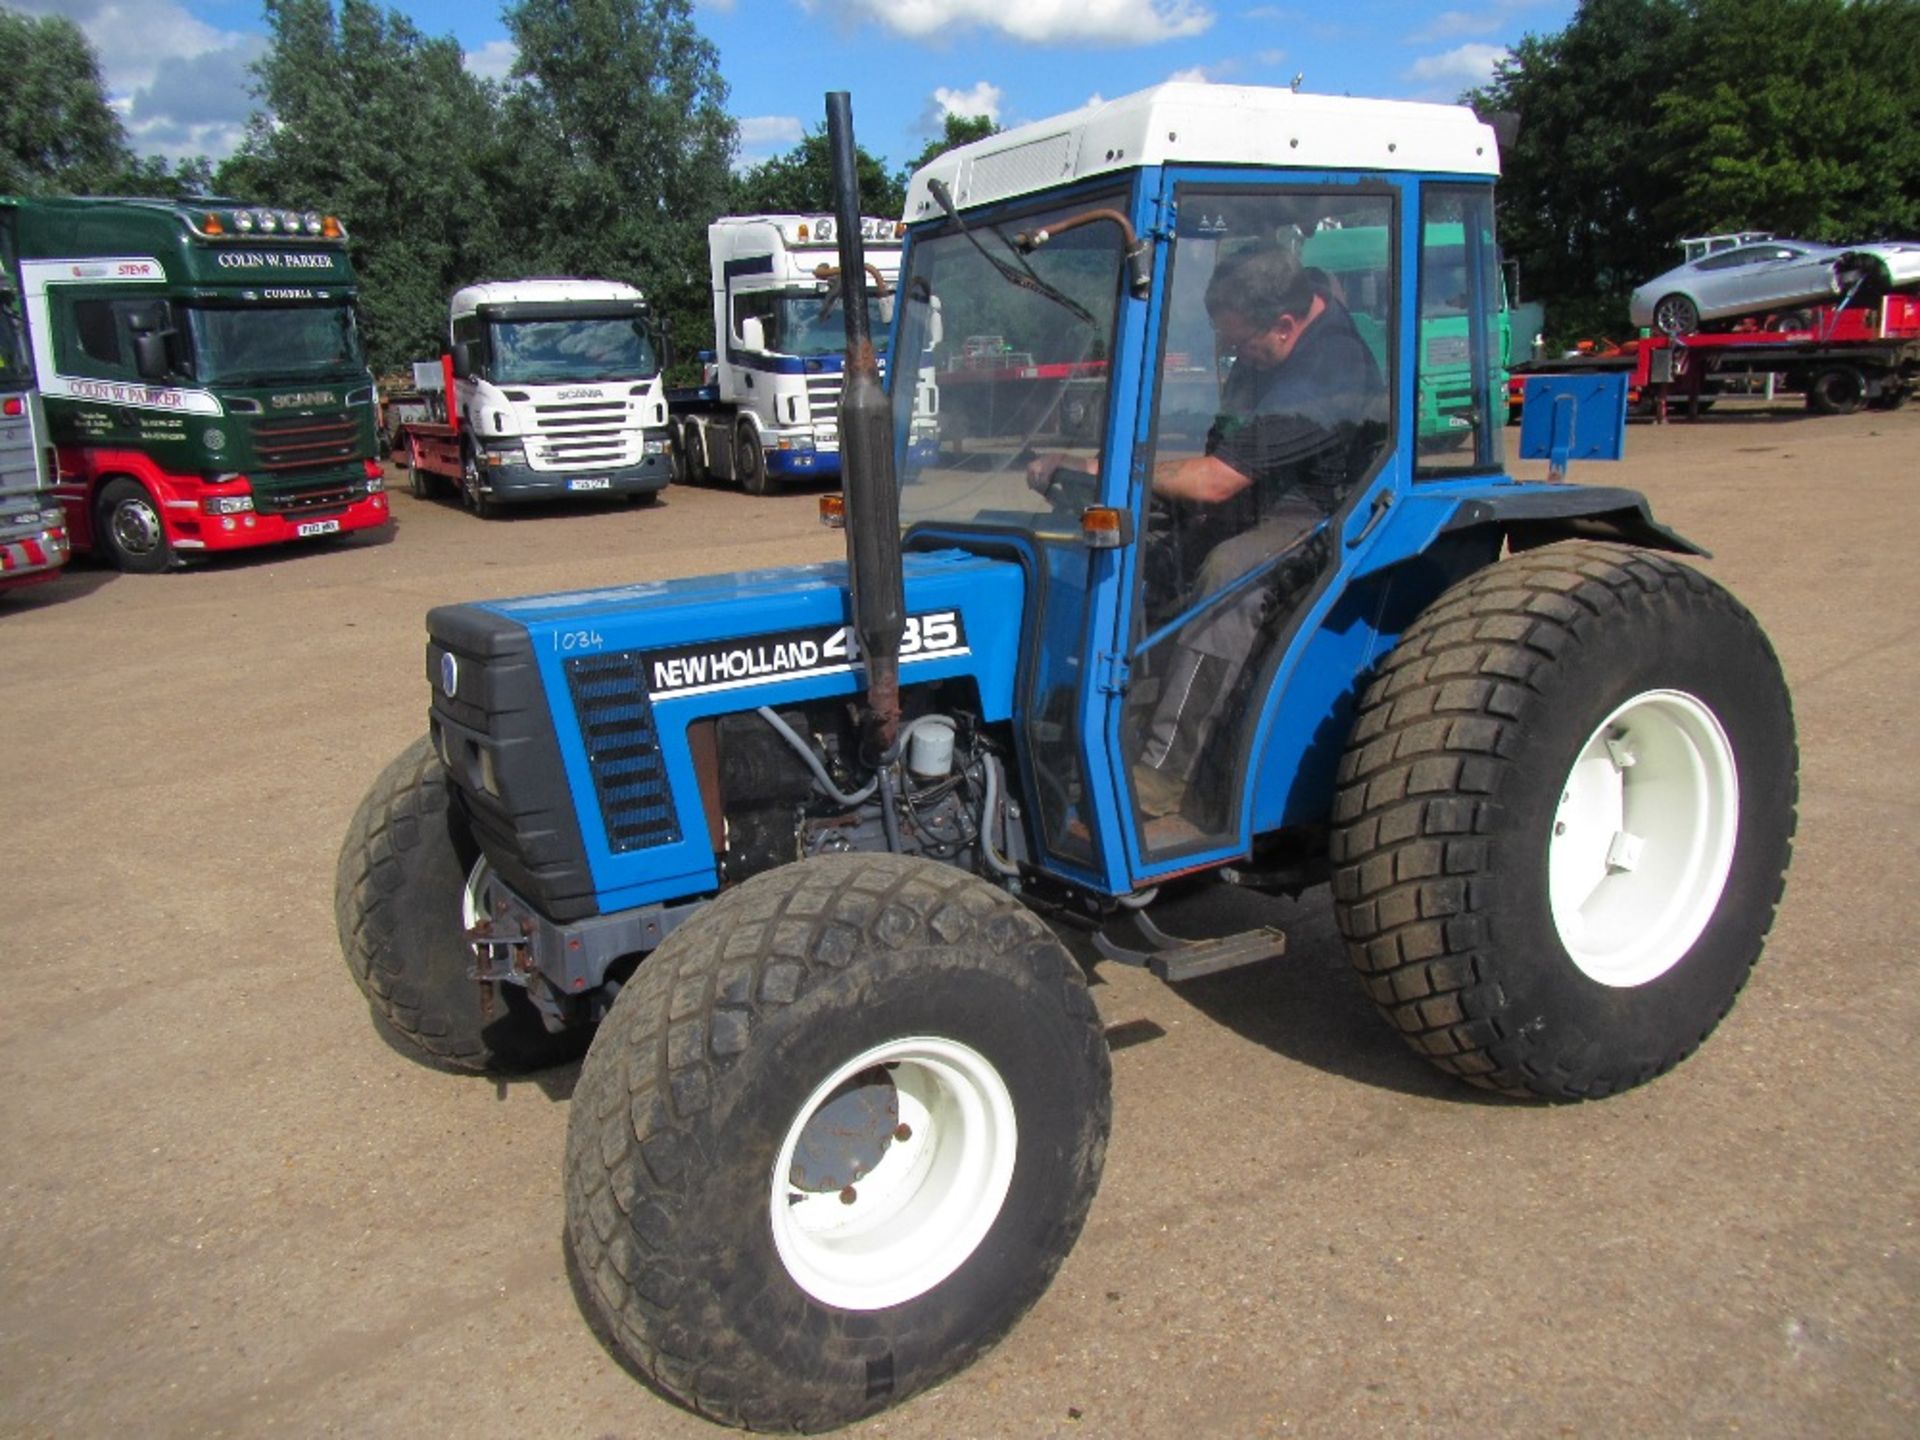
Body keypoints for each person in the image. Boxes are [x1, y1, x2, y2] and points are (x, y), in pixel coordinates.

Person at [1033, 241, 1385, 824]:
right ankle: (1083, 721)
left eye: (1240, 342)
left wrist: (1109, 471)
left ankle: (1163, 773)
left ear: (1285, 325)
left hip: (1323, 516)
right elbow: (1217, 444)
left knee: (1231, 572)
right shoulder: (1272, 352)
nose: (1230, 353)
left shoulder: (1331, 367)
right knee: (1127, 541)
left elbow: (1217, 481)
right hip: (1262, 496)